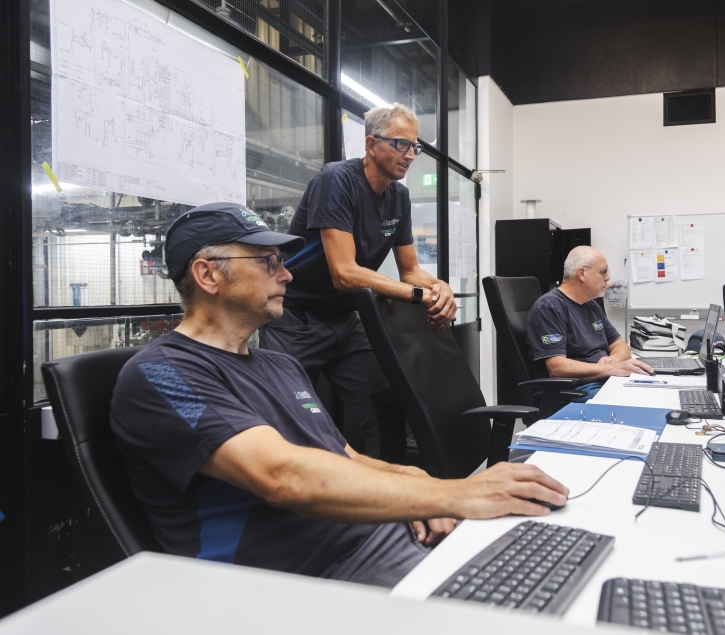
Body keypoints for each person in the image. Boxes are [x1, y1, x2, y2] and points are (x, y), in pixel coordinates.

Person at [110, 203, 568, 588]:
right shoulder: (160, 375)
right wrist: (452, 495)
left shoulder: (280, 364)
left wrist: (422, 490)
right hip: (303, 580)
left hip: (378, 539)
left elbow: (342, 456)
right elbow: (280, 476)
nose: (287, 276)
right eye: (269, 263)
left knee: (557, 557)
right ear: (208, 275)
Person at [258, 103, 456, 463]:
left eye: (415, 146)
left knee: (386, 409)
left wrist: (439, 287)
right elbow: (344, 273)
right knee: (286, 420)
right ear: (370, 144)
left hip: (346, 322)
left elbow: (410, 270)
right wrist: (419, 296)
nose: (410, 155)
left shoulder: (400, 196)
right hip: (296, 318)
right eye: (400, 144)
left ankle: (388, 505)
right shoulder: (337, 180)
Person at [525, 246, 653, 401]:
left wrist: (613, 361)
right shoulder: (549, 307)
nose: (607, 278)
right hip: (579, 389)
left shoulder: (591, 305)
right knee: (639, 403)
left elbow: (621, 346)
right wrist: (610, 368)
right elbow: (557, 368)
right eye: (603, 272)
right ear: (582, 273)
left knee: (653, 393)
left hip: (604, 380)